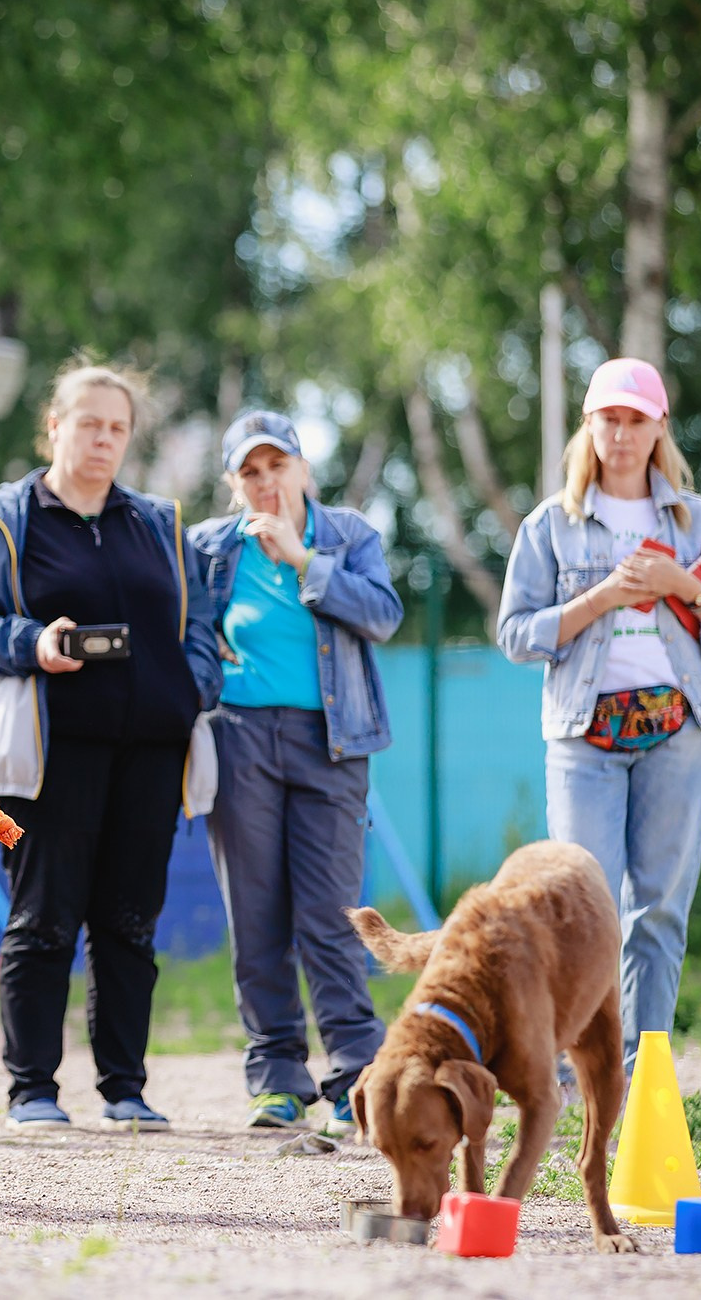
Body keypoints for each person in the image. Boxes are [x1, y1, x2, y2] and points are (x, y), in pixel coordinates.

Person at [0, 359, 222, 1132]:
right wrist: (30, 641)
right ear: (54, 426)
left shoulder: (158, 523)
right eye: (89, 422)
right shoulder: (2, 518)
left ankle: (126, 1088)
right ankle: (32, 1089)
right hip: (48, 754)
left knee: (130, 922)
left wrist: (193, 686)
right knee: (44, 917)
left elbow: (198, 623)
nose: (103, 438)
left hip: (152, 752)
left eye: (117, 427)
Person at [498, 356, 701, 1071]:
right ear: (588, 426)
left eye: (635, 421)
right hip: (583, 736)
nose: (621, 434)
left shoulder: (697, 520)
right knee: (582, 911)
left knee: (659, 909)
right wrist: (601, 598)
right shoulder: (550, 524)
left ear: (659, 428)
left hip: (680, 733)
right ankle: (575, 1069)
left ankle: (644, 1073)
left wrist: (685, 585)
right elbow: (515, 634)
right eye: (608, 420)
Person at [188, 411, 403, 1137]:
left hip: (332, 742)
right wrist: (206, 669)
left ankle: (356, 1073)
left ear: (304, 470)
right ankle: (276, 1074)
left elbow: (383, 615)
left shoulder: (349, 536)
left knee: (332, 913)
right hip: (241, 738)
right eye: (249, 471)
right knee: (256, 914)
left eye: (277, 465)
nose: (265, 481)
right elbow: (184, 631)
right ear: (233, 483)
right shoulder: (209, 547)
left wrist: (303, 559)